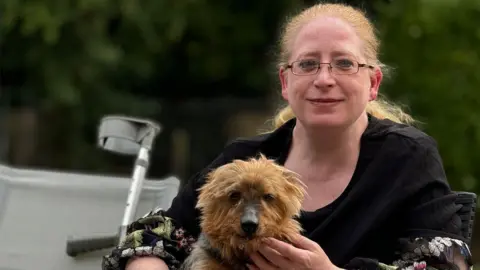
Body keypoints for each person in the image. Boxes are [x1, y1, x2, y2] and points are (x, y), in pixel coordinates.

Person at [102, 3, 473, 270]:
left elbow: (443, 268)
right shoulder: (244, 160)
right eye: (308, 64)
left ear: (373, 82)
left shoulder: (408, 159)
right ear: (285, 82)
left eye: (344, 63)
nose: (324, 79)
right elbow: (155, 236)